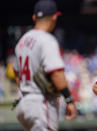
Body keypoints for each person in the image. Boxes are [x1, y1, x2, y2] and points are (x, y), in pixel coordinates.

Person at [13, 0, 77, 130]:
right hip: (41, 103)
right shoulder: (47, 40)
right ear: (55, 17)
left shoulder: (22, 40)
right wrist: (69, 100)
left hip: (23, 103)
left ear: (34, 17)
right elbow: (56, 73)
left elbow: (16, 73)